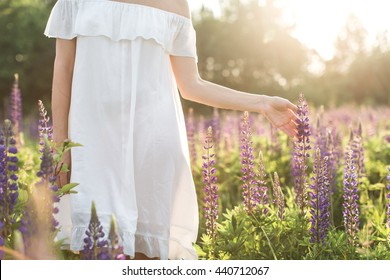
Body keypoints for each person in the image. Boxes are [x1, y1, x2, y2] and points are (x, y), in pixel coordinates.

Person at [45, 0, 298, 260]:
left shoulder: (176, 4)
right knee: (99, 250)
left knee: (149, 255)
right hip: (93, 144)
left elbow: (192, 85)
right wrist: (60, 142)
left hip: (154, 143)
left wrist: (262, 103)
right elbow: (63, 68)